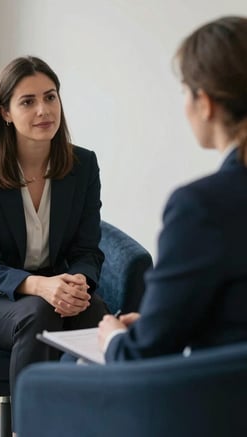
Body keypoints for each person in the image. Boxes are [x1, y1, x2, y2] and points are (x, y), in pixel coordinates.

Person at [0, 56, 108, 405]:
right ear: (5, 112)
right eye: (27, 101)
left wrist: (78, 282)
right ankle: (29, 427)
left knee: (95, 311)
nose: (43, 110)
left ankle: (101, 423)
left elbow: (88, 249)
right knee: (39, 311)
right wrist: (39, 286)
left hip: (53, 290)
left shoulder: (83, 165)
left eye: (50, 97)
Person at [98, 16, 247, 361]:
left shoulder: (201, 207)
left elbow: (141, 356)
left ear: (205, 102)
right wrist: (157, 323)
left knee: (57, 373)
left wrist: (115, 340)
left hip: (217, 408)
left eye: (184, 91)